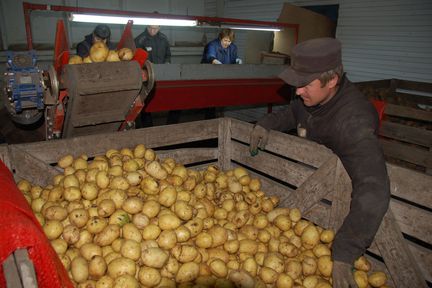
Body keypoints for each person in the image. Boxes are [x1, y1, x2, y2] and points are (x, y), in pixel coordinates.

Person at [249, 37, 390, 287]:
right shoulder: (314, 98)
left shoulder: (354, 122)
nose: (298, 91)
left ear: (332, 80)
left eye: (304, 84)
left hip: (337, 213)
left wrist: (345, 254)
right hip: (303, 205)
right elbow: (294, 112)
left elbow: (373, 189)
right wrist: (266, 124)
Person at [135, 25, 172, 126]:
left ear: (159, 27)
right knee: (146, 103)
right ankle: (147, 127)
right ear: (146, 27)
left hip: (161, 75)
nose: (152, 30)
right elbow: (136, 61)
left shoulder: (164, 39)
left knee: (163, 100)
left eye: (155, 28)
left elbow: (168, 55)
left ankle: (168, 125)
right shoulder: (140, 40)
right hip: (147, 78)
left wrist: (167, 64)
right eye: (150, 28)